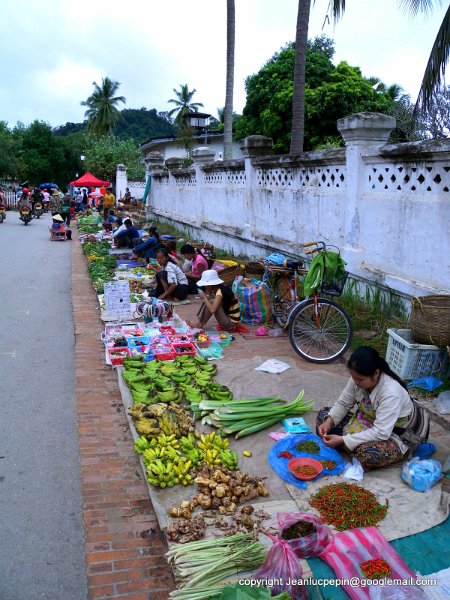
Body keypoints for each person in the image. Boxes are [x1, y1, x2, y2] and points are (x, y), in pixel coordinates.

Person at [316, 346, 427, 470]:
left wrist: (343, 440)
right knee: (324, 415)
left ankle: (345, 444)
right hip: (365, 422)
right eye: (354, 377)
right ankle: (345, 444)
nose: (356, 382)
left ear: (376, 373)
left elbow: (381, 432)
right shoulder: (356, 379)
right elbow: (343, 403)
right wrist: (329, 422)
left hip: (392, 435)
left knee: (369, 454)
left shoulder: (391, 392)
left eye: (360, 379)